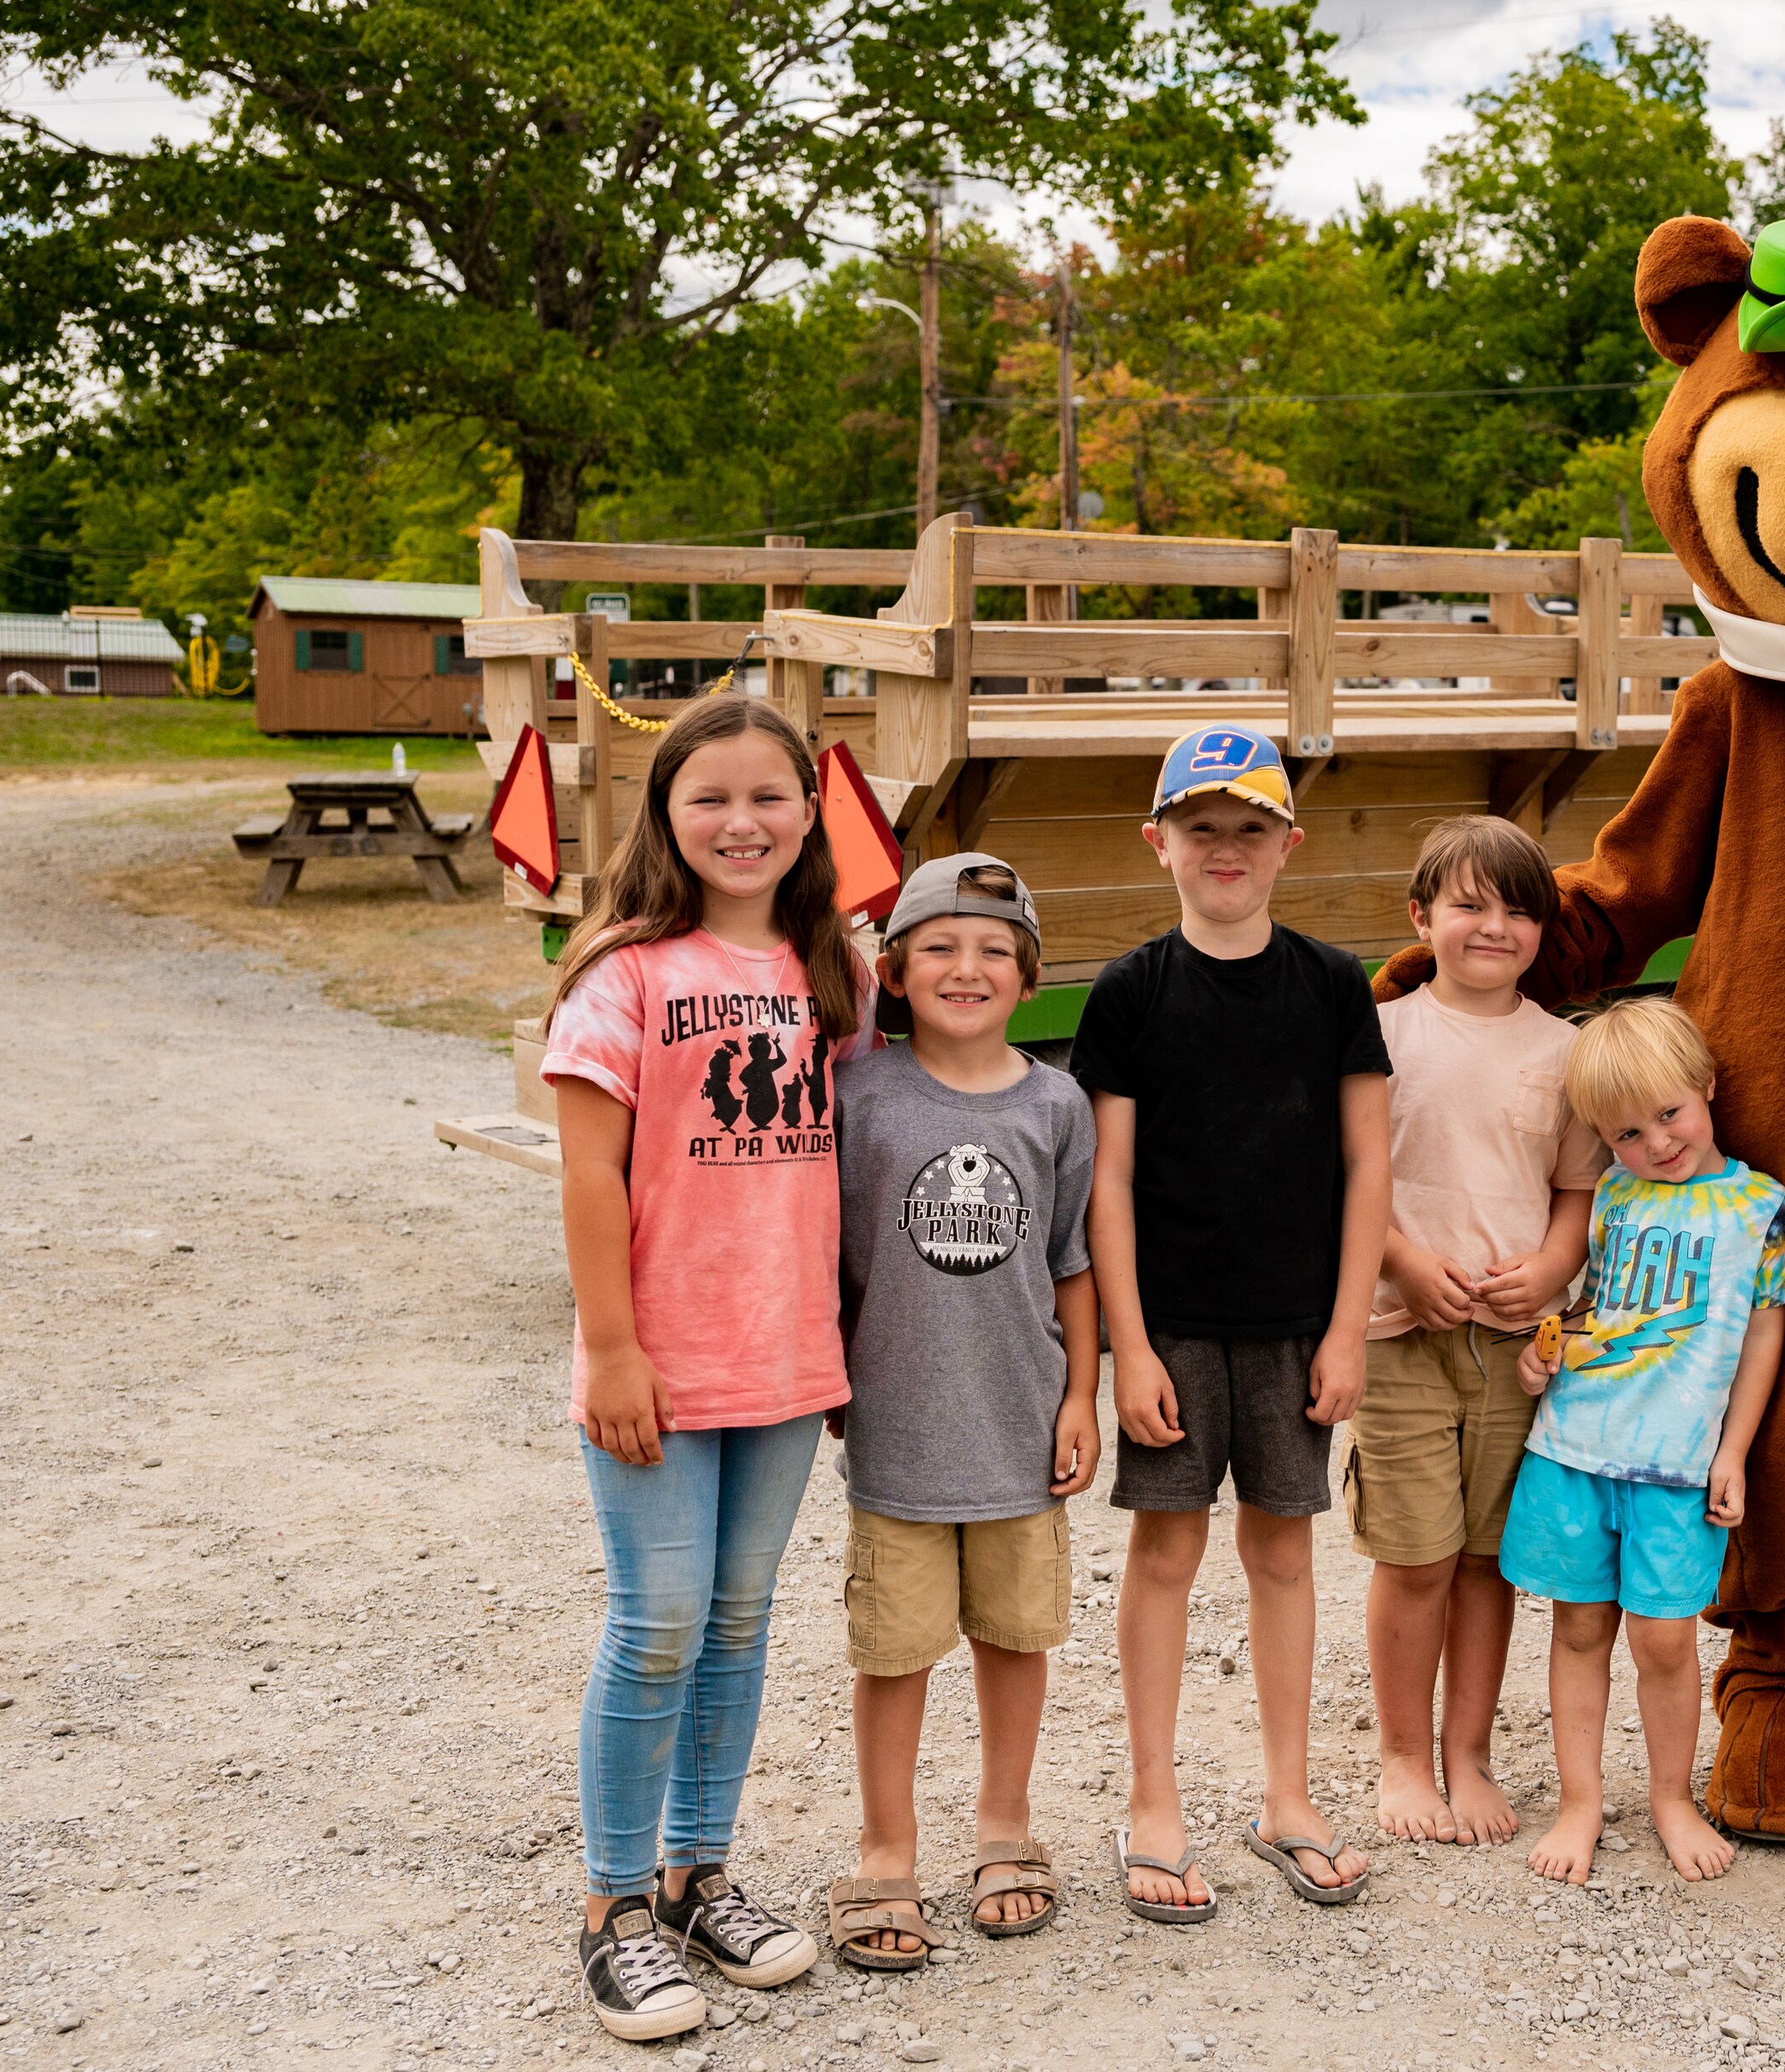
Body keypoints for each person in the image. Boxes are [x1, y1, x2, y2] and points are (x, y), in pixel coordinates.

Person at [538, 693, 862, 2038]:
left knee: (738, 1624)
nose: (743, 821)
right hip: (656, 1365)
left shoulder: (838, 968)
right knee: (657, 1621)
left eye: (770, 795)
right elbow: (587, 1179)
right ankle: (614, 1906)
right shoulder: (623, 971)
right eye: (710, 797)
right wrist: (612, 1346)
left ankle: (696, 1875)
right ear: (665, 814)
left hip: (787, 1357)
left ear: (809, 810)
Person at [1069, 726, 1392, 1920]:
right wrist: (1129, 1343)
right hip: (1175, 1327)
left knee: (1287, 1549)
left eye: (1250, 826)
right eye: (1201, 826)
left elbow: (1369, 1165)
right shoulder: (1130, 991)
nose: (1226, 847)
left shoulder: (1332, 983)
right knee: (1164, 1552)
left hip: (1297, 1324)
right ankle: (1154, 1798)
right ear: (1158, 842)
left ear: (1288, 845)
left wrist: (1350, 1327)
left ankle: (1288, 1796)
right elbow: (1106, 1182)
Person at [824, 855, 1099, 1969]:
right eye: (938, 944)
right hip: (897, 1435)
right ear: (891, 970)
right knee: (893, 1649)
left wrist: (1084, 1391)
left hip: (1020, 1428)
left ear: (1029, 977)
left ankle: (1004, 1826)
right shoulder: (863, 1095)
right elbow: (826, 1254)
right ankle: (887, 1846)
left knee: (1015, 1633)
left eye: (994, 948)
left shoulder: (1056, 1101)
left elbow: (1072, 1261)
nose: (966, 966)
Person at [1503, 998, 1785, 1887]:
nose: (1656, 1141)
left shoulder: (1759, 1204)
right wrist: (1546, 1345)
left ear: (1708, 1085)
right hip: (1576, 1445)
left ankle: (1671, 1795)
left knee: (1666, 1640)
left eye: (1670, 1113)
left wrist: (1734, 1449)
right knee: (1580, 1626)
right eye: (1626, 1131)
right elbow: (1596, 1298)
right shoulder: (1613, 1195)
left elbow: (1764, 1332)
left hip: (1677, 1463)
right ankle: (1581, 1799)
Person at [1358, 816, 1604, 1845]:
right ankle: (1403, 1754)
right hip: (1395, 1331)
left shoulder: (1567, 1050)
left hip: (1520, 1345)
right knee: (1415, 1555)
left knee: (1487, 1558)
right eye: (1468, 904)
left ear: (1543, 929)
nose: (1492, 925)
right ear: (1423, 917)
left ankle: (1468, 1750)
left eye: (1516, 908)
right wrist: (1406, 1262)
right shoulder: (1380, 1035)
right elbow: (1344, 1177)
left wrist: (1551, 1269)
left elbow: (1573, 1194)